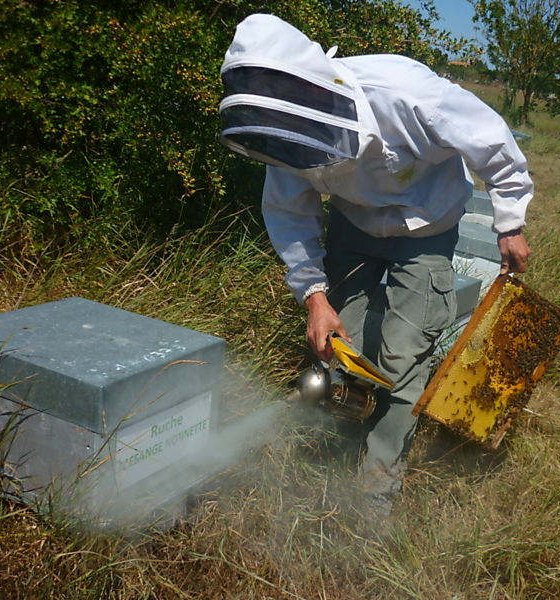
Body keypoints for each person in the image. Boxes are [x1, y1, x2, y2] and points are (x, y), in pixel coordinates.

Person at [218, 14, 533, 512]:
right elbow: (290, 216)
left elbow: (491, 140)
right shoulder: (285, 131)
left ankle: (376, 489)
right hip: (352, 227)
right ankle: (336, 437)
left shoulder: (406, 91)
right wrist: (315, 299)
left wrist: (509, 221)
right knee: (342, 346)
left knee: (405, 357)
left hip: (427, 226)